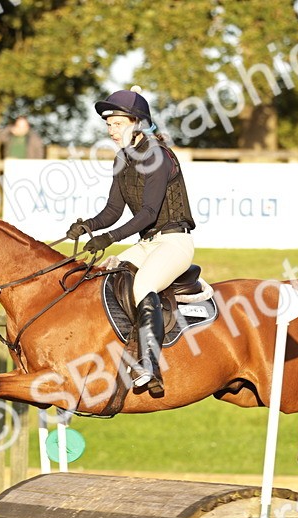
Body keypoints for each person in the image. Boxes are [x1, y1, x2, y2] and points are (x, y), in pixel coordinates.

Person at [65, 88, 195, 395]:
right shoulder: (122, 159)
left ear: (137, 123)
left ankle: (149, 366)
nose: (111, 130)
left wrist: (109, 238)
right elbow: (112, 210)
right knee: (109, 277)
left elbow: (149, 213)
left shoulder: (158, 157)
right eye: (108, 125)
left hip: (174, 242)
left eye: (118, 124)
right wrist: (88, 226)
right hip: (148, 244)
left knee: (142, 286)